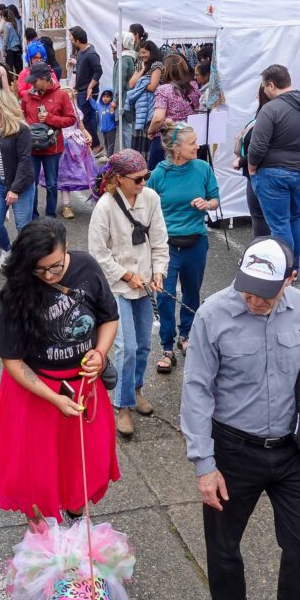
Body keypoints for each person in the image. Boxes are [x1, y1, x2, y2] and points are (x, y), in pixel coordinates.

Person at [181, 236, 300, 600]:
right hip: (232, 450)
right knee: (224, 543)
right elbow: (196, 391)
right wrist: (204, 465)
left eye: (265, 293)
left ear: (291, 279)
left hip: (292, 451)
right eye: (247, 289)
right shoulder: (213, 314)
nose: (254, 300)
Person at [0, 219, 120, 521]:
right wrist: (54, 398)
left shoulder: (87, 267)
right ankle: (41, 540)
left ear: (67, 248)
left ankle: (73, 511)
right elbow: (12, 361)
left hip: (82, 384)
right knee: (35, 469)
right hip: (37, 392)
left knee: (79, 462)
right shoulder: (16, 290)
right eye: (39, 269)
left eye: (55, 268)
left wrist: (99, 352)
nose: (47, 275)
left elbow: (109, 317)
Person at [87, 150, 168, 439]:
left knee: (145, 344)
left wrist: (158, 272)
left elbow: (159, 242)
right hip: (116, 288)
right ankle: (122, 406)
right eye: (137, 178)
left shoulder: (151, 199)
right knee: (127, 347)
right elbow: (97, 254)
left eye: (146, 176)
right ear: (118, 179)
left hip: (144, 285)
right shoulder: (105, 207)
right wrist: (127, 275)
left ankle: (135, 390)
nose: (143, 182)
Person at [147, 122, 219, 373]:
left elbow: (215, 199)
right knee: (164, 296)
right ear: (176, 149)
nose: (197, 146)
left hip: (196, 243)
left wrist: (207, 204)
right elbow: (146, 206)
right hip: (166, 246)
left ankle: (185, 335)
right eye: (192, 143)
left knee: (192, 293)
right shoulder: (159, 174)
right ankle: (167, 347)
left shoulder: (202, 168)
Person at [245, 65, 300, 265]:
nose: (264, 90)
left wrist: (252, 166)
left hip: (272, 174)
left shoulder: (271, 109)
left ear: (271, 85)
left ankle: (284, 268)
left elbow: (258, 145)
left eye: (264, 86)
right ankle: (293, 268)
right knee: (293, 219)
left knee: (279, 224)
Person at [0, 88, 35, 267]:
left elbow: (25, 162)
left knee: (23, 226)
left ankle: (27, 261)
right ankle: (7, 248)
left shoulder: (21, 130)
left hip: (19, 185)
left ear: (3, 106)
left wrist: (14, 189)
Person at [21, 66, 76, 221]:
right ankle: (33, 217)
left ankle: (50, 216)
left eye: (35, 81)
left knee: (52, 184)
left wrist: (50, 118)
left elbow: (71, 119)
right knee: (32, 183)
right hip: (32, 147)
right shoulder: (27, 96)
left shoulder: (61, 95)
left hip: (52, 148)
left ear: (45, 79)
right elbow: (22, 115)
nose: (32, 85)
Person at [69, 26, 103, 153]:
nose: (71, 40)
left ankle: (95, 145)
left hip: (88, 92)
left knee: (83, 118)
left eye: (72, 38)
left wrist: (90, 87)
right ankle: (94, 145)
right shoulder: (81, 52)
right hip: (81, 90)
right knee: (86, 117)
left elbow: (98, 71)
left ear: (78, 41)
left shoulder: (91, 54)